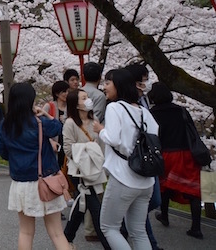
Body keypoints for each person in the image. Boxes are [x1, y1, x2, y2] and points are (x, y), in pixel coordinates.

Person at [0, 82, 72, 250]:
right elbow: (58, 128)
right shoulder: (39, 123)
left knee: (25, 232)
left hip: (21, 184)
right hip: (46, 182)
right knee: (56, 233)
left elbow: (3, 153)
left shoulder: (6, 125)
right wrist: (46, 114)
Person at [99, 67, 159, 249]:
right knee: (138, 231)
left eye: (108, 83)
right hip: (146, 181)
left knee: (109, 227)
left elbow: (114, 138)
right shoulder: (144, 111)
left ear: (119, 85)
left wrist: (100, 131)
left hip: (123, 177)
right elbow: (155, 134)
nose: (105, 87)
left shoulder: (115, 108)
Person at [149, 82, 204, 240]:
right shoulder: (181, 110)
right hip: (186, 154)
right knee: (193, 190)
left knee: (165, 187)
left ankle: (164, 215)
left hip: (166, 154)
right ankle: (196, 227)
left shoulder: (153, 113)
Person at [62, 88, 110, 249]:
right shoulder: (70, 123)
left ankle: (66, 237)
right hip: (80, 171)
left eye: (87, 97)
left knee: (81, 205)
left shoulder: (94, 119)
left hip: (94, 169)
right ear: (76, 105)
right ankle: (108, 244)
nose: (88, 100)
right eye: (84, 98)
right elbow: (68, 149)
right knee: (95, 207)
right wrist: (90, 148)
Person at [125, 64, 162, 250]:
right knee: (148, 202)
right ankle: (151, 244)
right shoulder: (123, 104)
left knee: (154, 201)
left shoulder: (144, 100)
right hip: (135, 159)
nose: (145, 83)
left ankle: (126, 223)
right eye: (142, 79)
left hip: (149, 155)